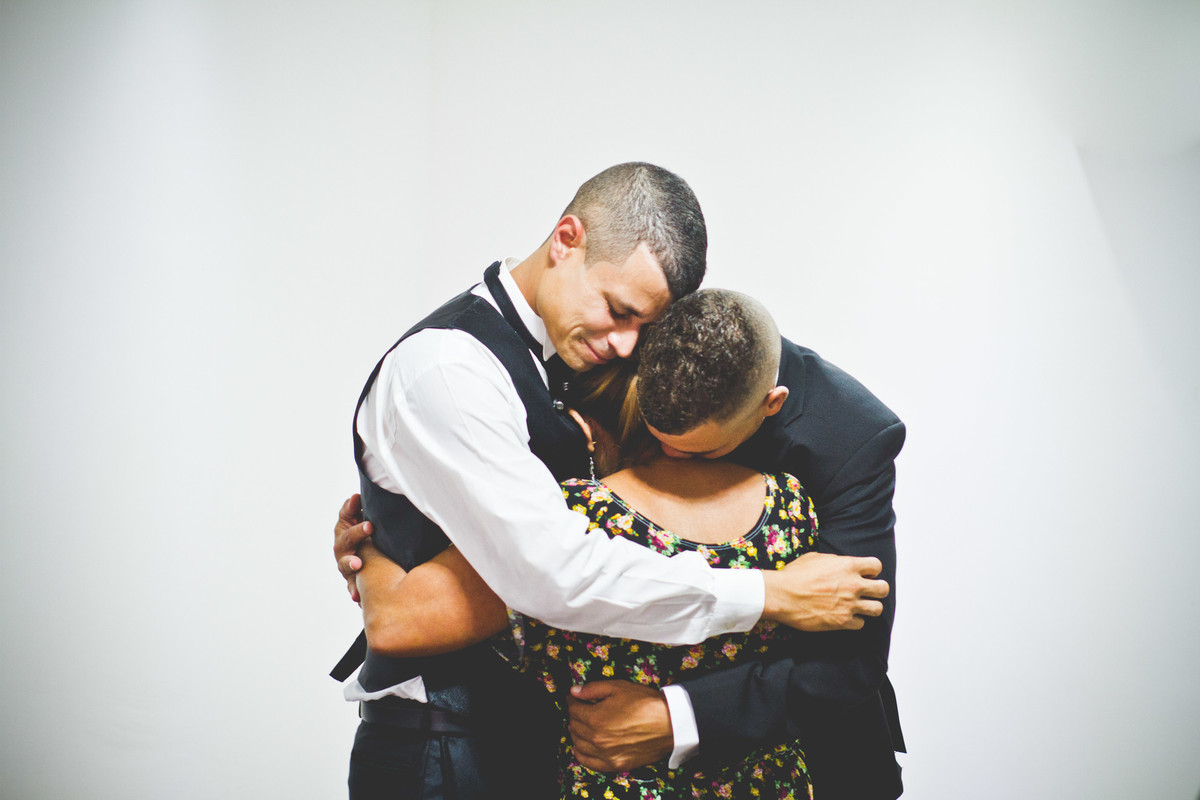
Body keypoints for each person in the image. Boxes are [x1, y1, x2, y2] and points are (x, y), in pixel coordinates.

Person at [333, 164, 890, 800]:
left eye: (647, 328)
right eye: (618, 311)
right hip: (447, 749)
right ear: (566, 239)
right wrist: (769, 593)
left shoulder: (839, 431)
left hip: (550, 749)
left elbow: (853, 658)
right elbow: (549, 574)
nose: (629, 347)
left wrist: (673, 716)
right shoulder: (448, 370)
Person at [356, 295, 827, 799]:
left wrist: (370, 543)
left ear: (583, 424)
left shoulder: (585, 517)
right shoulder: (792, 506)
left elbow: (398, 622)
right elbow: (820, 665)